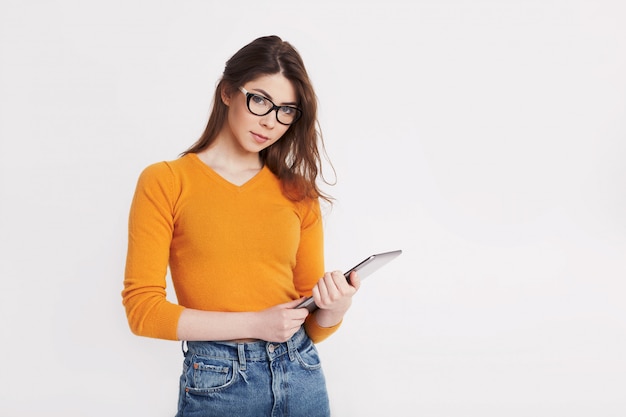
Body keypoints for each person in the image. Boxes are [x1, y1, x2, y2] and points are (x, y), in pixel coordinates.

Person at [122, 35, 360, 417]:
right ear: (228, 92)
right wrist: (257, 323)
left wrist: (334, 309)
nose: (271, 121)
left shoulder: (299, 192)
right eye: (261, 100)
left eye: (287, 110)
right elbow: (143, 311)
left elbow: (306, 321)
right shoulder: (166, 181)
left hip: (301, 374)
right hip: (219, 382)